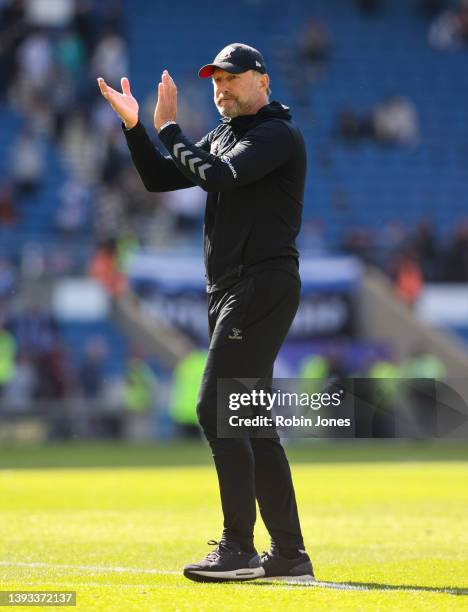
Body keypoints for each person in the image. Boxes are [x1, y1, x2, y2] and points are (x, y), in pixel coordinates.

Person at [98, 42, 313, 583]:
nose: (221, 87)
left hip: (261, 284)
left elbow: (216, 177)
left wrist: (170, 128)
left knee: (216, 407)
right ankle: (289, 555)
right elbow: (161, 178)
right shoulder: (223, 135)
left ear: (262, 81)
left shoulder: (275, 134)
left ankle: (239, 548)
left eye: (232, 78)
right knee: (251, 422)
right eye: (216, 80)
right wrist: (135, 129)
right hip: (231, 290)